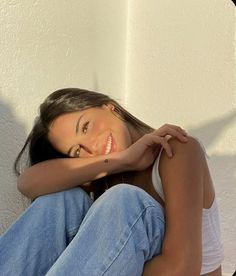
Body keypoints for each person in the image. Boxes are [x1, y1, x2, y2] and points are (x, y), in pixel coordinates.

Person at [0, 88, 223, 276]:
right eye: (77, 151)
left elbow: (182, 269)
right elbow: (27, 183)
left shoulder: (177, 149)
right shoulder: (107, 179)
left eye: (85, 127)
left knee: (124, 199)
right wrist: (122, 160)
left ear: (110, 107)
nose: (91, 147)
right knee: (65, 200)